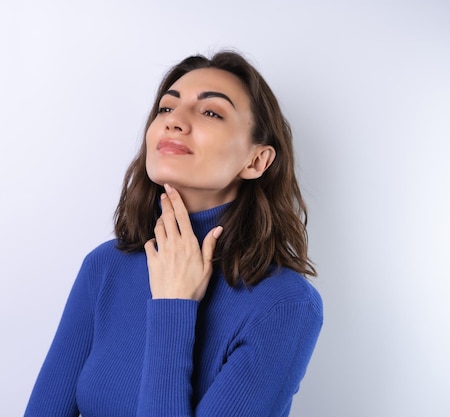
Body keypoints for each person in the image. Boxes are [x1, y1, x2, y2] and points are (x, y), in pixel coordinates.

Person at [23, 50, 323, 417]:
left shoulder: (284, 305)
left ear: (256, 160)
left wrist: (174, 307)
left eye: (211, 112)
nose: (174, 122)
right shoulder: (105, 267)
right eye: (166, 108)